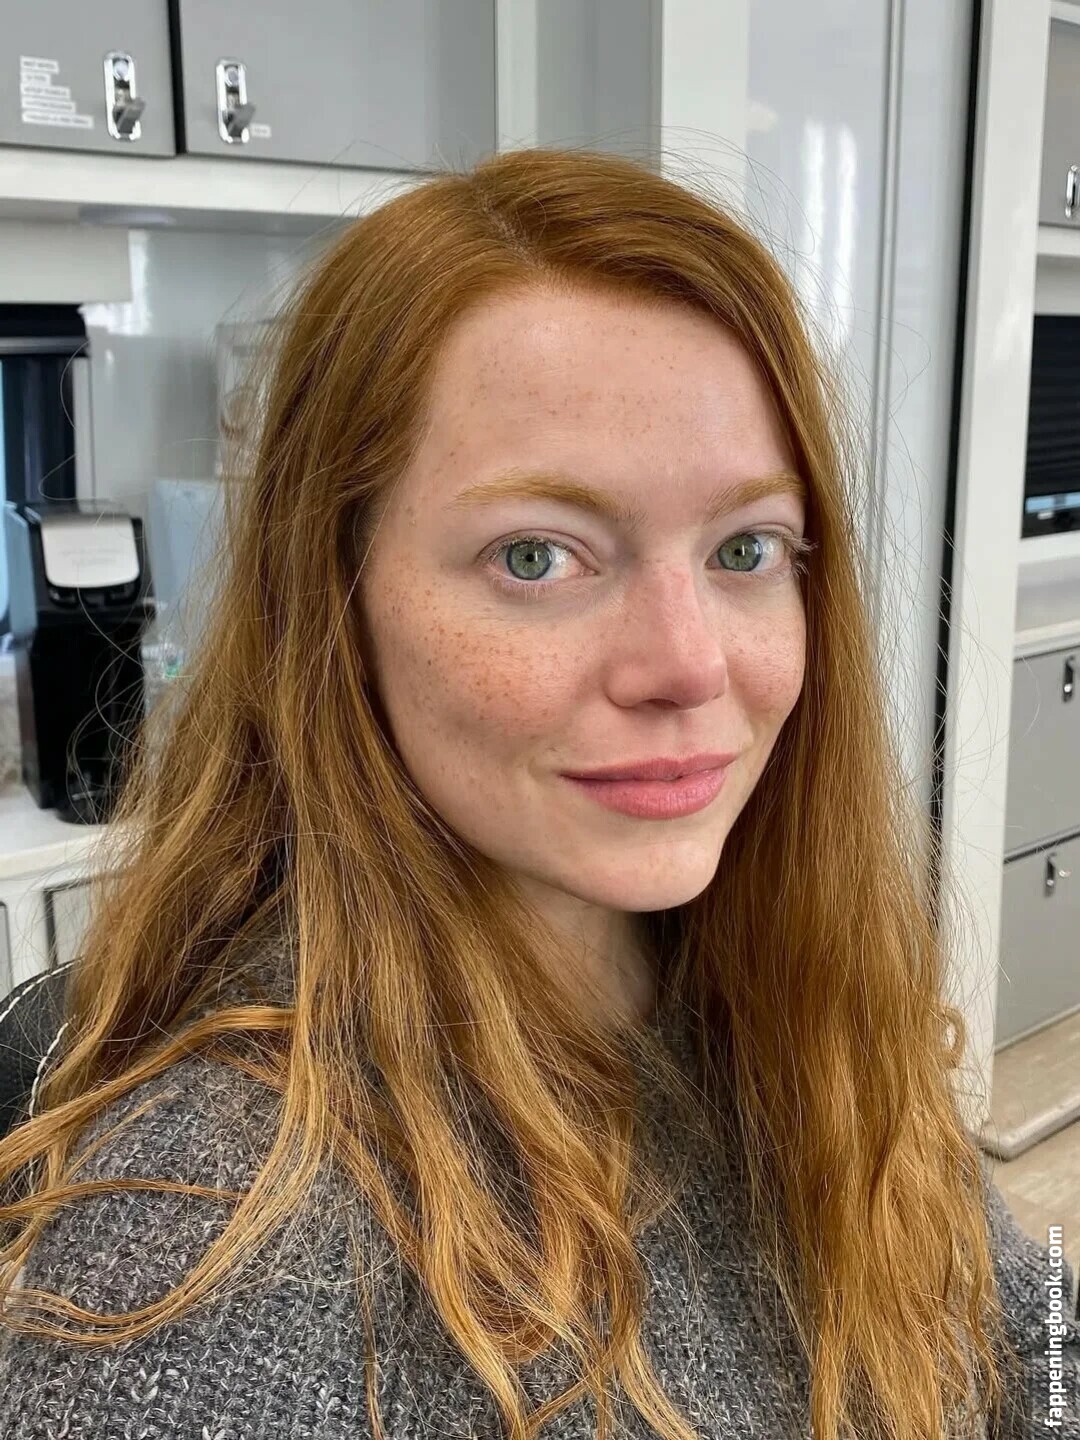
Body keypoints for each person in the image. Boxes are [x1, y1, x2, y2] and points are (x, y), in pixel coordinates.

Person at [0, 145, 1075, 1440]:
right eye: (537, 557)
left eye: (744, 547)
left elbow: (1027, 1334)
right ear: (334, 604)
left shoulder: (782, 996)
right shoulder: (206, 1257)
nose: (689, 666)